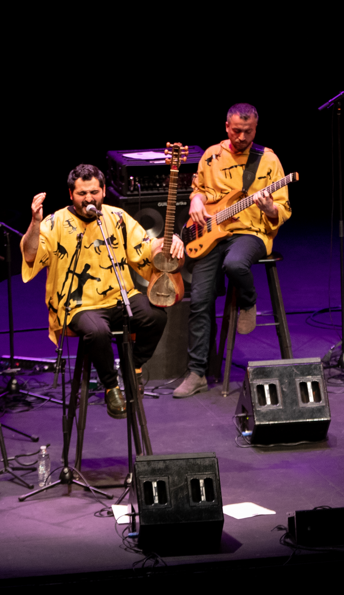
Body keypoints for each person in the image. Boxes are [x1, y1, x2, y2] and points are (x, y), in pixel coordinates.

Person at [22, 164, 183, 417]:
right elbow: (31, 253)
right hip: (77, 305)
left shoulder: (116, 217)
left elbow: (146, 246)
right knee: (98, 331)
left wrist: (169, 244)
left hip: (120, 298)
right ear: (70, 195)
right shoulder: (54, 222)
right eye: (82, 193)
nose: (89, 198)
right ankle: (111, 387)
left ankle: (134, 368)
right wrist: (35, 222)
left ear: (104, 191)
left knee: (155, 315)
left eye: (94, 192)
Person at [174, 103, 292, 398]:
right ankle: (197, 372)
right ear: (227, 127)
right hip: (212, 234)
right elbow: (198, 187)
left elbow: (283, 207)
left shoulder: (268, 160)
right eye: (237, 131)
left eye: (248, 132)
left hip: (250, 232)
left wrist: (269, 207)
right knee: (199, 300)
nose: (241, 137)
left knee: (235, 264)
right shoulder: (211, 154)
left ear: (255, 129)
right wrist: (196, 200)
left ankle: (248, 302)